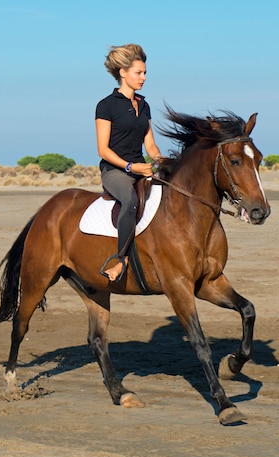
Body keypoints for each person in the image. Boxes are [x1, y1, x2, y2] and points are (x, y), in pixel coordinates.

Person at [95, 43, 162, 282]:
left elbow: (150, 146)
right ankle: (120, 261)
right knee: (131, 200)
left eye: (145, 73)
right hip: (116, 171)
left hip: (141, 167)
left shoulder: (144, 105)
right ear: (123, 73)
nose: (144, 77)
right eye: (138, 73)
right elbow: (103, 149)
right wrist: (130, 167)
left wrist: (161, 161)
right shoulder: (106, 105)